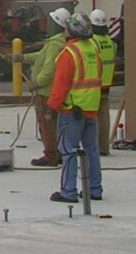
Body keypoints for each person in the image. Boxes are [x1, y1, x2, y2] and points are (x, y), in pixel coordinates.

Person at [48, 12, 104, 203]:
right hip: (91, 108)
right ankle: (94, 189)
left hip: (71, 110)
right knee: (91, 150)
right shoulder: (92, 48)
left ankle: (68, 191)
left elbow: (60, 84)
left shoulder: (69, 52)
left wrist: (52, 107)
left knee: (68, 150)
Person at [23, 6, 70, 167]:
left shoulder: (54, 44)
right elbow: (41, 57)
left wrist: (36, 83)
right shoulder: (59, 42)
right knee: (56, 124)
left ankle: (51, 155)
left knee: (46, 125)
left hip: (45, 92)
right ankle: (58, 152)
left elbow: (49, 69)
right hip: (55, 92)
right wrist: (21, 57)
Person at [89, 9, 117, 156]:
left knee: (91, 119)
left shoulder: (93, 42)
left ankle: (93, 147)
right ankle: (104, 148)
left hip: (94, 85)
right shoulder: (111, 43)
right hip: (107, 85)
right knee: (104, 118)